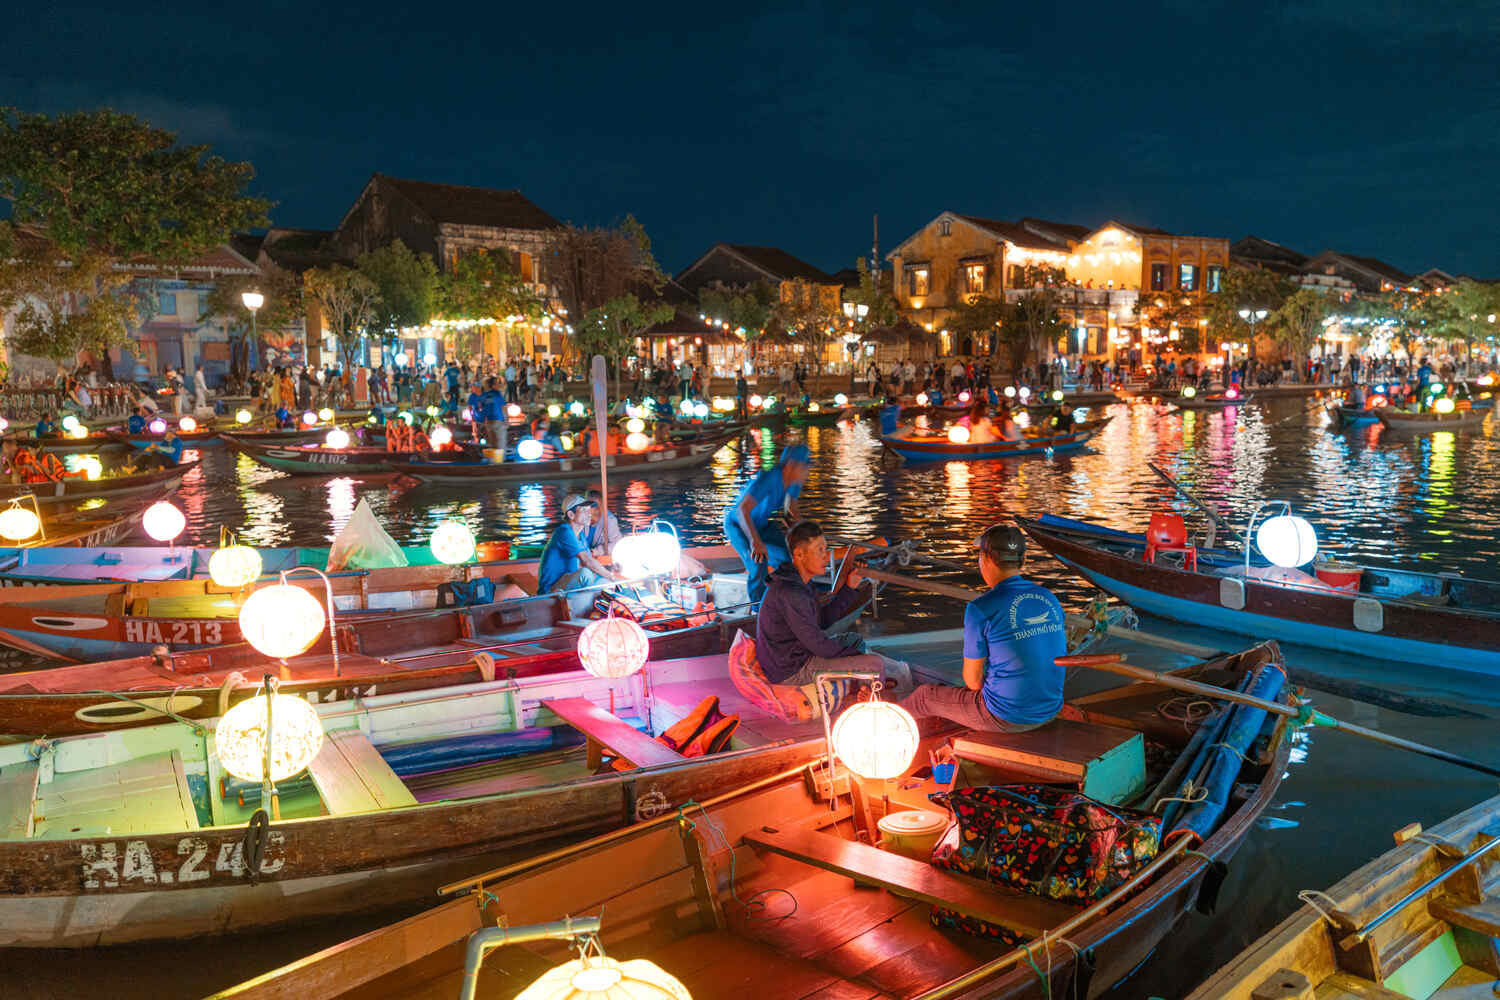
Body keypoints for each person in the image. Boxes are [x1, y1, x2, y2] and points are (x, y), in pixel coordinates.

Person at [900, 523, 1065, 733]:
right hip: (1050, 709)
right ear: (1023, 561)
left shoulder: (980, 608)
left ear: (985, 559)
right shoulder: (1049, 598)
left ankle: (873, 729)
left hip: (1006, 716)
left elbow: (973, 682)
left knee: (924, 697)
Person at [755, 519, 911, 690]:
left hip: (798, 654)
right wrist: (857, 658)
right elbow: (818, 645)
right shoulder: (791, 592)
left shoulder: (802, 583)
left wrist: (850, 588)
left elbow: (822, 620)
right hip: (790, 669)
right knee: (874, 663)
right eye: (820, 550)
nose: (825, 555)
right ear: (799, 554)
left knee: (853, 640)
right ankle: (871, 696)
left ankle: (864, 688)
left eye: (825, 549)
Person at [724, 443, 809, 604]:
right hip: (739, 524)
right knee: (758, 561)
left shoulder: (794, 481)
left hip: (762, 525)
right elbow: (742, 510)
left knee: (789, 557)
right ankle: (758, 609)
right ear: (791, 466)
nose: (806, 471)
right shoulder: (769, 478)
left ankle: (786, 595)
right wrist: (755, 541)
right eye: (804, 467)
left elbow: (792, 510)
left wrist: (806, 538)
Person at [537, 494, 623, 593]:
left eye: (588, 509)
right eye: (583, 510)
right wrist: (612, 577)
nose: (589, 514)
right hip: (551, 590)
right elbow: (586, 561)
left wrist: (610, 570)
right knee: (585, 574)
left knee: (605, 581)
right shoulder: (564, 531)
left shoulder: (581, 536)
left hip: (568, 585)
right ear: (571, 515)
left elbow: (590, 562)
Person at [585, 488, 623, 558]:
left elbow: (617, 544)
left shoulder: (609, 520)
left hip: (596, 556)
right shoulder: (581, 518)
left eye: (599, 506)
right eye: (593, 506)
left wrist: (595, 552)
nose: (597, 510)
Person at [479, 377, 508, 457]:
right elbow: (503, 407)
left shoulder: (484, 395)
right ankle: (501, 462)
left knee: (493, 444)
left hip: (489, 422)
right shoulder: (497, 394)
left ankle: (493, 462)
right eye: (497, 383)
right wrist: (506, 420)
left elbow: (482, 408)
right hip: (499, 421)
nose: (499, 385)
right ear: (493, 385)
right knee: (501, 444)